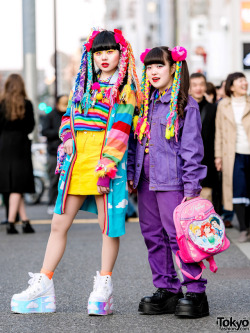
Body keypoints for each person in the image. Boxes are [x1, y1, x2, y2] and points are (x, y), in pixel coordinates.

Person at [11, 29, 141, 315]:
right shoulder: (83, 84)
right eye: (98, 52)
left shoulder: (126, 88)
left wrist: (107, 168)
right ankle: (44, 284)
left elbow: (120, 130)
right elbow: (68, 114)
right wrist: (67, 135)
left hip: (107, 164)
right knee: (59, 224)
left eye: (109, 51)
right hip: (77, 162)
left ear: (122, 54)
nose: (104, 57)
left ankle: (103, 287)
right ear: (90, 56)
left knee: (108, 228)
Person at [128, 46, 209, 318]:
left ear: (173, 68)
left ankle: (196, 292)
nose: (153, 71)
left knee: (180, 239)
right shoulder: (144, 102)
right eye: (149, 67)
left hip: (173, 183)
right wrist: (131, 175)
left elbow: (192, 150)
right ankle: (167, 289)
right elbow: (134, 143)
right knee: (153, 237)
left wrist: (191, 187)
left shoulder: (185, 104)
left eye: (159, 66)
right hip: (145, 181)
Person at [215, 72, 250, 242]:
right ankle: (243, 228)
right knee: (237, 190)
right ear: (231, 86)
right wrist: (218, 156)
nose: (245, 83)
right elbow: (219, 132)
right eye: (240, 81)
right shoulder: (224, 105)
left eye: (245, 80)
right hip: (233, 154)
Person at [0, 74, 35, 234]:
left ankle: (26, 221)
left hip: (3, 144)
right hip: (20, 144)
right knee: (17, 185)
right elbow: (30, 127)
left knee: (13, 184)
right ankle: (11, 222)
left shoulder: (1, 103)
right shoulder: (26, 104)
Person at [189, 73, 217, 207]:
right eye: (194, 85)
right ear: (189, 87)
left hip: (209, 160)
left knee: (207, 200)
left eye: (201, 84)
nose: (198, 88)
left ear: (205, 86)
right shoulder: (183, 108)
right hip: (187, 161)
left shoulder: (213, 108)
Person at [42, 95, 68, 214]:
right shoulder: (50, 116)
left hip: (69, 152)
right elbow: (45, 131)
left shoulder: (70, 113)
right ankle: (51, 203)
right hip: (53, 153)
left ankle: (64, 203)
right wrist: (61, 132)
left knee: (66, 179)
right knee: (54, 179)